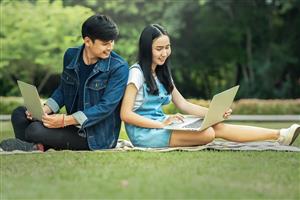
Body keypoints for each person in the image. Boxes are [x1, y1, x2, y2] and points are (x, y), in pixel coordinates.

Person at [120, 24, 300, 148]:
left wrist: (213, 113)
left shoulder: (162, 72)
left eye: (167, 47)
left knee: (217, 126)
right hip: (145, 132)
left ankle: (280, 135)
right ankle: (279, 135)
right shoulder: (136, 73)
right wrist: (161, 124)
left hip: (162, 124)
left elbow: (183, 104)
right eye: (159, 49)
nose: (165, 53)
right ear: (146, 49)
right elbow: (125, 114)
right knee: (208, 134)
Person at [0, 14, 129, 151]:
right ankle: (36, 146)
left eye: (112, 42)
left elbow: (106, 107)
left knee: (34, 130)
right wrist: (44, 110)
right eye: (105, 43)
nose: (110, 47)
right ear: (87, 41)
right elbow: (63, 90)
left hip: (94, 136)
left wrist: (64, 121)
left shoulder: (119, 67)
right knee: (20, 114)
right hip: (71, 126)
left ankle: (34, 144)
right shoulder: (71, 56)